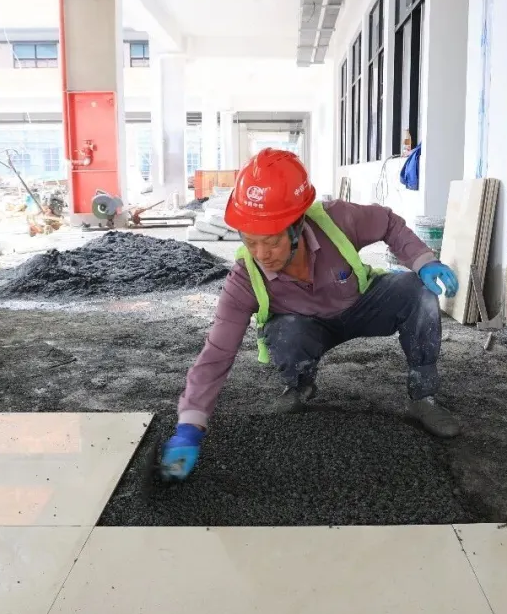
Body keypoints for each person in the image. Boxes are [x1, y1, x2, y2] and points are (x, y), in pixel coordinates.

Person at [159, 148, 461, 482]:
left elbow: (388, 222)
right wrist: (190, 426)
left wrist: (422, 260)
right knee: (283, 332)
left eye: (271, 242)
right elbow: (216, 353)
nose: (261, 254)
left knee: (419, 292)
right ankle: (299, 387)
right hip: (307, 328)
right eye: (250, 241)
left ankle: (423, 397)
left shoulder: (337, 220)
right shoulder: (244, 280)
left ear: (296, 226)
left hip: (361, 305)